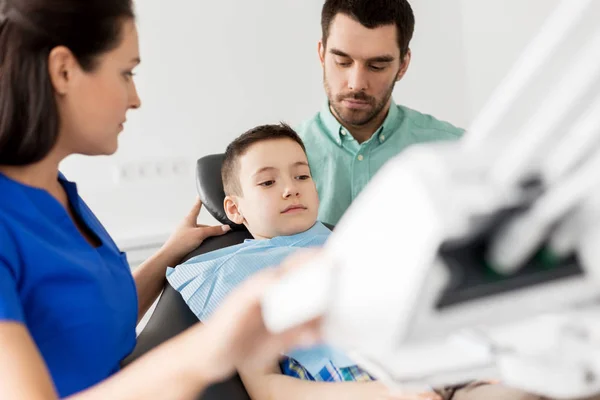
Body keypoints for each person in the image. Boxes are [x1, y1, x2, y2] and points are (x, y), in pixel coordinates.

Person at [0, 1, 321, 398]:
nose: (135, 98)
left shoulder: (58, 191)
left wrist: (170, 253)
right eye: (126, 73)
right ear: (63, 71)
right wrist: (208, 348)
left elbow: (89, 323)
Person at [167, 123, 443, 400]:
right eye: (267, 182)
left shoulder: (357, 244)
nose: (290, 189)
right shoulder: (235, 276)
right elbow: (265, 386)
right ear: (235, 209)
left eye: (301, 176)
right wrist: (379, 393)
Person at [298, 0, 465, 226]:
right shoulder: (271, 163)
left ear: (403, 65)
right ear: (321, 54)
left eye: (377, 66)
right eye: (342, 62)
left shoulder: (456, 152)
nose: (356, 84)